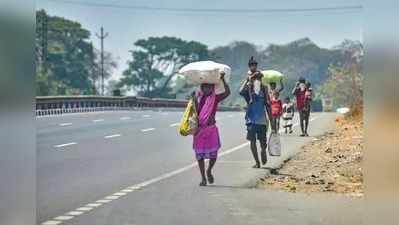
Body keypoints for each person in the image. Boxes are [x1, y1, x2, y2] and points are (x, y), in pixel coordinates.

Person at [193, 71, 230, 186]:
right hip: (199, 130)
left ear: (212, 88)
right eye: (205, 87)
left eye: (209, 87)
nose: (207, 89)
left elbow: (228, 92)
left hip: (211, 129)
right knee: (199, 156)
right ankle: (203, 178)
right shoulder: (198, 98)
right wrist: (193, 99)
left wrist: (223, 79)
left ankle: (209, 170)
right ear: (202, 88)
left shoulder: (215, 99)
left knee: (213, 155)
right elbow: (192, 112)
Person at [239, 56, 273, 168]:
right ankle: (257, 162)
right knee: (252, 141)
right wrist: (248, 79)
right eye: (255, 78)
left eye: (258, 78)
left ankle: (263, 151)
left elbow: (268, 105)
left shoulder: (263, 88)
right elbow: (240, 91)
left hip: (262, 120)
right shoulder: (248, 89)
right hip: (251, 119)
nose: (256, 80)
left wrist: (272, 121)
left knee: (263, 143)